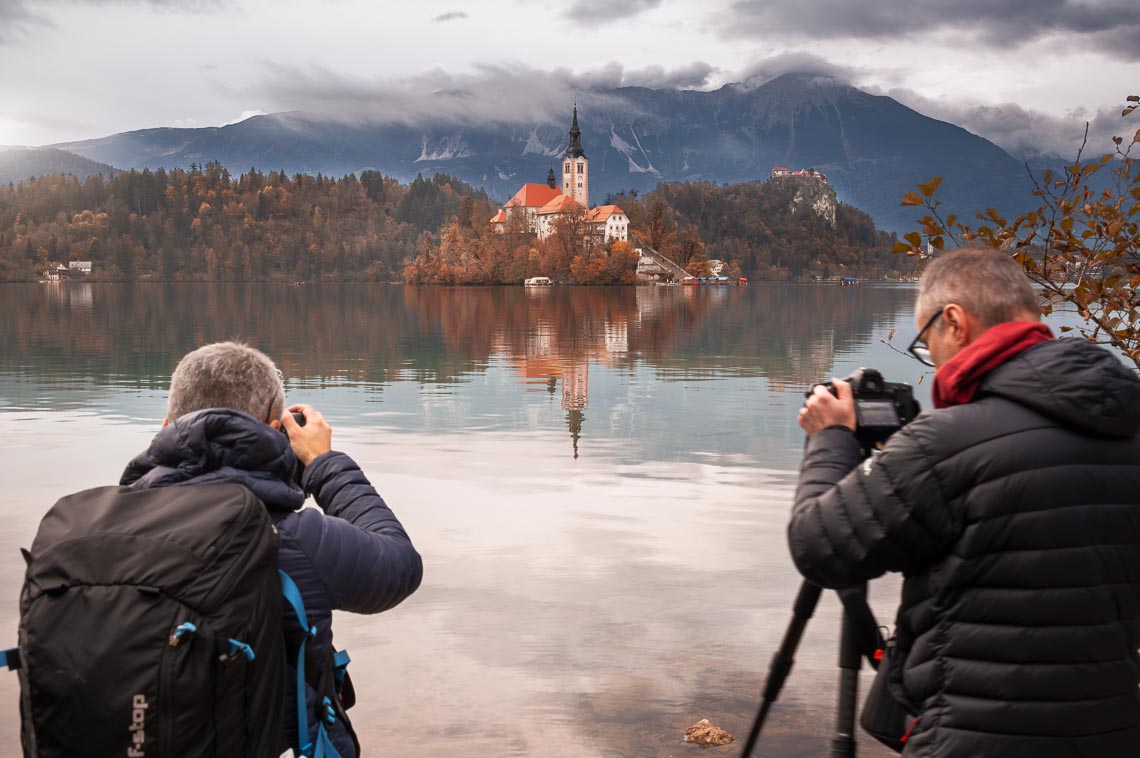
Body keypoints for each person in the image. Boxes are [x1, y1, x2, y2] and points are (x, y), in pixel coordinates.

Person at [792, 247, 1140, 757]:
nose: (930, 357)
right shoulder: (1128, 425)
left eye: (926, 339)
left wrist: (832, 439)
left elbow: (819, 545)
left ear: (953, 321)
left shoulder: (948, 443)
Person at [120, 341, 423, 757]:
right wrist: (321, 463)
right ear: (278, 431)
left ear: (167, 425)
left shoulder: (94, 530)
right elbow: (400, 566)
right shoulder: (290, 538)